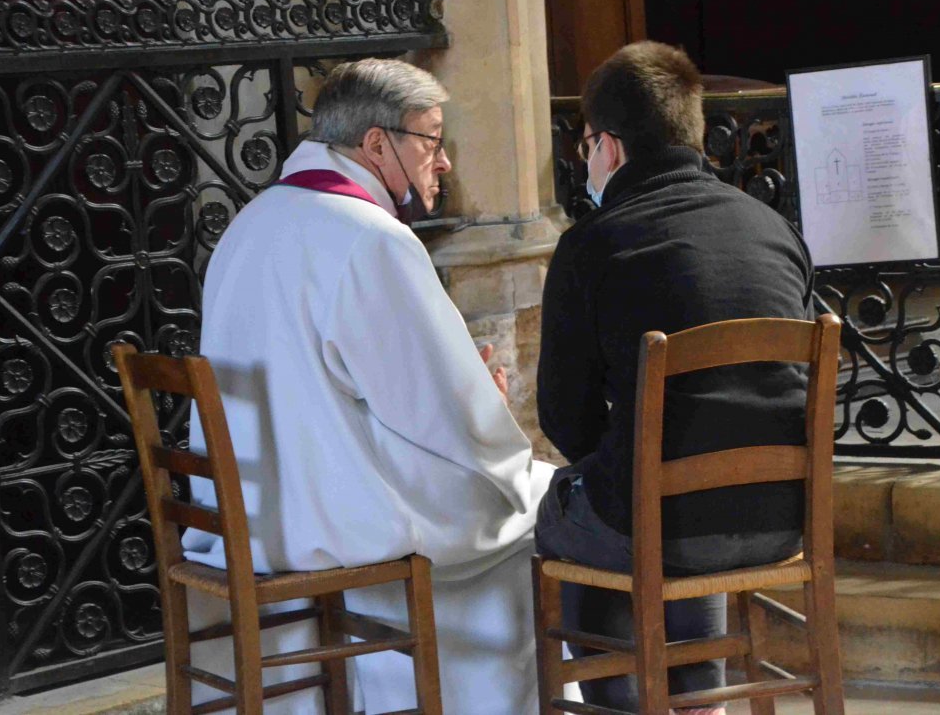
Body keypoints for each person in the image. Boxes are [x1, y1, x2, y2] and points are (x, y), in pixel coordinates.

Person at [181, 58, 556, 714]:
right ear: (378, 143)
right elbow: (449, 420)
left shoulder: (251, 223)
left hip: (247, 513)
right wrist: (488, 402)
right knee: (533, 504)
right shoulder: (371, 238)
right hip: (331, 521)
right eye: (432, 141)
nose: (444, 163)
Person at [535, 41, 815, 714]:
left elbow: (563, 417)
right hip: (783, 515)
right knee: (671, 481)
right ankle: (701, 701)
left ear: (610, 146)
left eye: (586, 145)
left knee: (578, 502)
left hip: (659, 524)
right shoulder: (774, 229)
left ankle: (618, 705)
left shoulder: (594, 243)